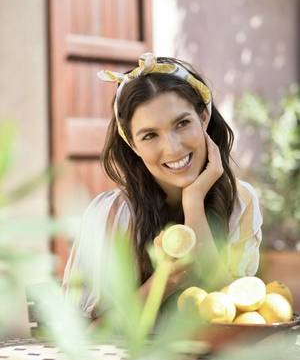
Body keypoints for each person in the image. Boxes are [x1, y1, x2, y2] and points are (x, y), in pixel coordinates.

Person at [63, 52, 263, 323]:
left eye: (182, 123)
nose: (172, 148)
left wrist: (194, 204)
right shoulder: (112, 214)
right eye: (149, 135)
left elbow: (232, 314)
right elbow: (84, 335)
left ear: (203, 118)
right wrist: (163, 282)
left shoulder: (240, 202)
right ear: (133, 145)